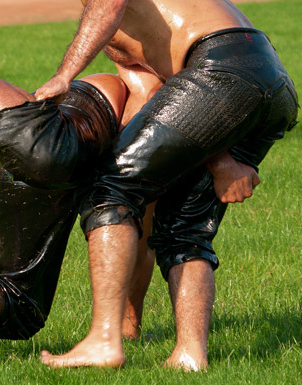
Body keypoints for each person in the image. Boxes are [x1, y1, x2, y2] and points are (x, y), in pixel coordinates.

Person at [0, 20, 255, 367]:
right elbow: (141, 215)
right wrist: (219, 162)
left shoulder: (187, 71)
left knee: (20, 312)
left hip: (35, 162)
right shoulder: (171, 66)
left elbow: (138, 235)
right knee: (47, 152)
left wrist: (128, 327)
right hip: (76, 125)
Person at [34, 0, 299, 370]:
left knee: (109, 192)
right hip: (270, 80)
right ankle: (190, 355)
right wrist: (219, 160)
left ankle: (102, 341)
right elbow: (164, 99)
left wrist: (65, 75)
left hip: (220, 71)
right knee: (183, 228)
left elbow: (109, 5)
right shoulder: (139, 22)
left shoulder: (108, 11)